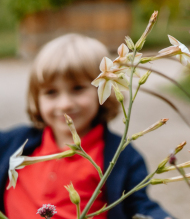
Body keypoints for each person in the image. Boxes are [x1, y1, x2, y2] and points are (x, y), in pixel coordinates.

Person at [0, 33, 171, 219]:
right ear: (36, 98)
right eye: (51, 92)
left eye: (78, 88)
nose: (65, 104)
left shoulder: (121, 156)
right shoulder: (12, 143)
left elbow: (139, 205)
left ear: (105, 89)